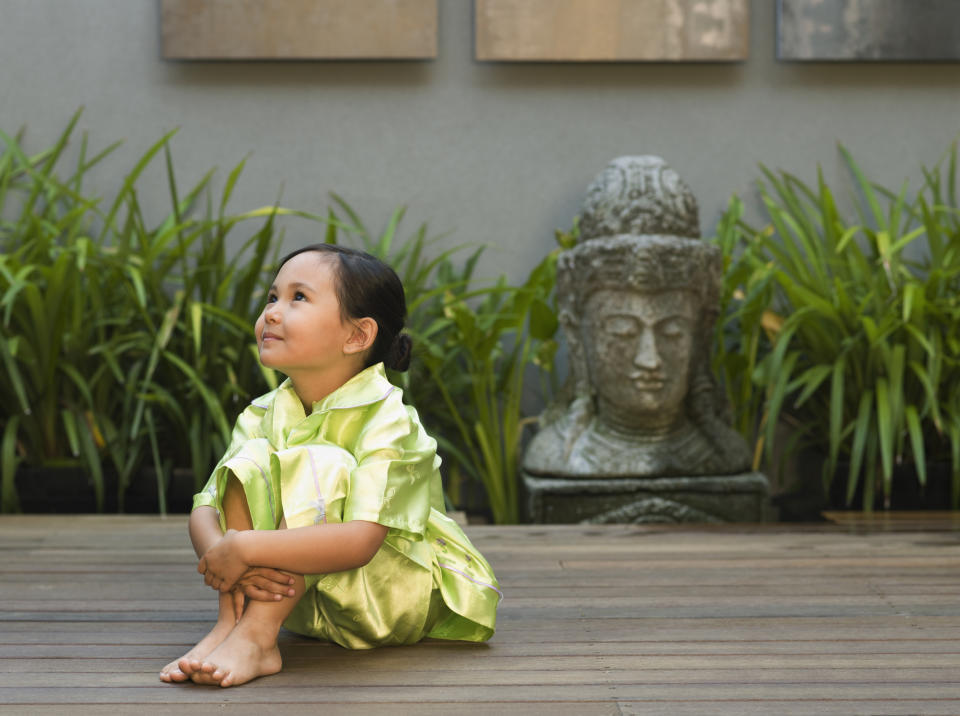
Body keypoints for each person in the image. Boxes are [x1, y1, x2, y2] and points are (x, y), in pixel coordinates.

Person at [159, 244, 501, 688]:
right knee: (250, 461)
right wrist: (220, 552)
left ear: (357, 336)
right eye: (272, 297)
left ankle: (259, 637)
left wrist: (244, 548)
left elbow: (360, 542)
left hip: (387, 591)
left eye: (298, 298)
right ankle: (234, 624)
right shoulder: (263, 413)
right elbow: (207, 506)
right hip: (298, 598)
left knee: (322, 464)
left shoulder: (389, 420)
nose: (274, 313)